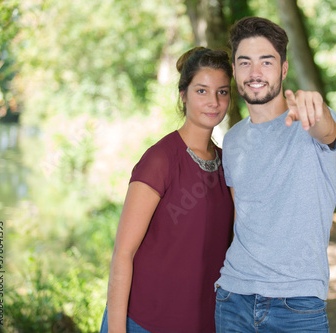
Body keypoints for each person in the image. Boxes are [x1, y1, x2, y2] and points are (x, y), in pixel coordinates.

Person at [214, 17, 336, 332]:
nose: (255, 72)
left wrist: (315, 108)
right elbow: (239, 218)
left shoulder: (310, 123)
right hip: (233, 299)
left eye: (266, 62)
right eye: (245, 62)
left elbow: (326, 129)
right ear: (234, 71)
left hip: (296, 305)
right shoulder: (231, 140)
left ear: (283, 69)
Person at [100, 47, 234, 333]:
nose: (213, 101)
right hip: (143, 322)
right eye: (201, 91)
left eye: (222, 92)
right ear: (183, 95)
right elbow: (123, 254)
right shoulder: (160, 160)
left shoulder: (228, 165)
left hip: (203, 324)